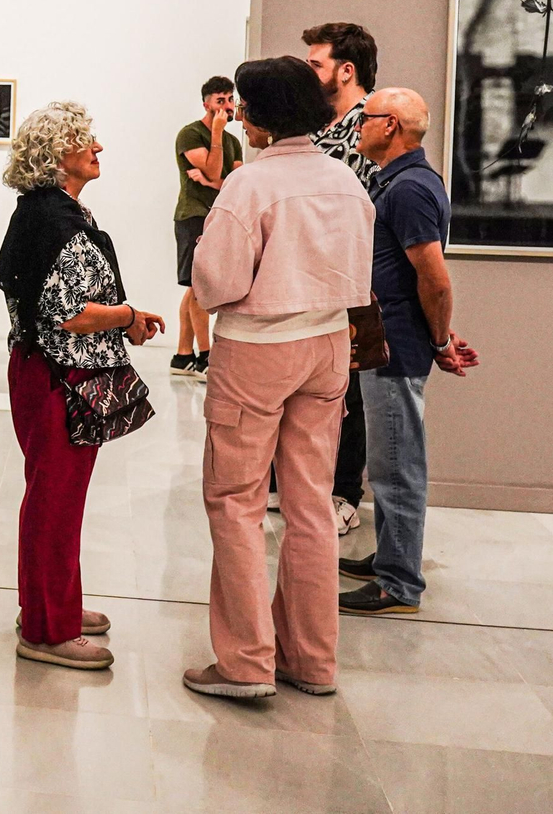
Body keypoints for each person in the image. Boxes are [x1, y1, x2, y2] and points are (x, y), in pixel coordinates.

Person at [182, 56, 372, 701]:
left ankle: (245, 662)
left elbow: (215, 283)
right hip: (328, 345)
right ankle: (311, 660)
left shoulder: (249, 185)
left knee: (235, 501)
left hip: (259, 348)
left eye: (243, 106)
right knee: (311, 503)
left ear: (259, 116)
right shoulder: (345, 179)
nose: (238, 116)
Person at [0, 101, 165, 670]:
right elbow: (69, 313)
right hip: (58, 373)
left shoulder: (51, 212)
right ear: (54, 155)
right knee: (55, 503)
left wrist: (123, 318)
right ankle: (47, 629)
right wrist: (127, 314)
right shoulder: (54, 218)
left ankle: (49, 605)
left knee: (54, 500)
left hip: (50, 370)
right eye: (83, 139)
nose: (97, 147)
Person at [340, 88, 480, 616]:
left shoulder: (410, 188)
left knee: (396, 464)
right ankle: (390, 556)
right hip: (389, 340)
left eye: (366, 118)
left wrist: (439, 340)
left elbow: (435, 279)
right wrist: (438, 335)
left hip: (395, 346)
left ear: (391, 125)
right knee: (388, 460)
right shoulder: (400, 182)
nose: (358, 126)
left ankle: (398, 584)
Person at [304, 21, 380, 535]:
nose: (309, 73)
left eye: (316, 64)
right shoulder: (319, 127)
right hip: (312, 280)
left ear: (346, 70)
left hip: (353, 280)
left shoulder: (369, 126)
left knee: (350, 394)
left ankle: (344, 493)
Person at [172, 75, 243, 381]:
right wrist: (215, 134)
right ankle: (205, 356)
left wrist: (212, 182)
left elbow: (234, 183)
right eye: (220, 101)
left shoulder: (234, 142)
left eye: (229, 100)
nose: (227, 107)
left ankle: (182, 356)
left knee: (195, 287)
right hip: (194, 216)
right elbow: (215, 170)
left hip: (218, 216)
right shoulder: (190, 134)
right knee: (199, 287)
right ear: (206, 104)